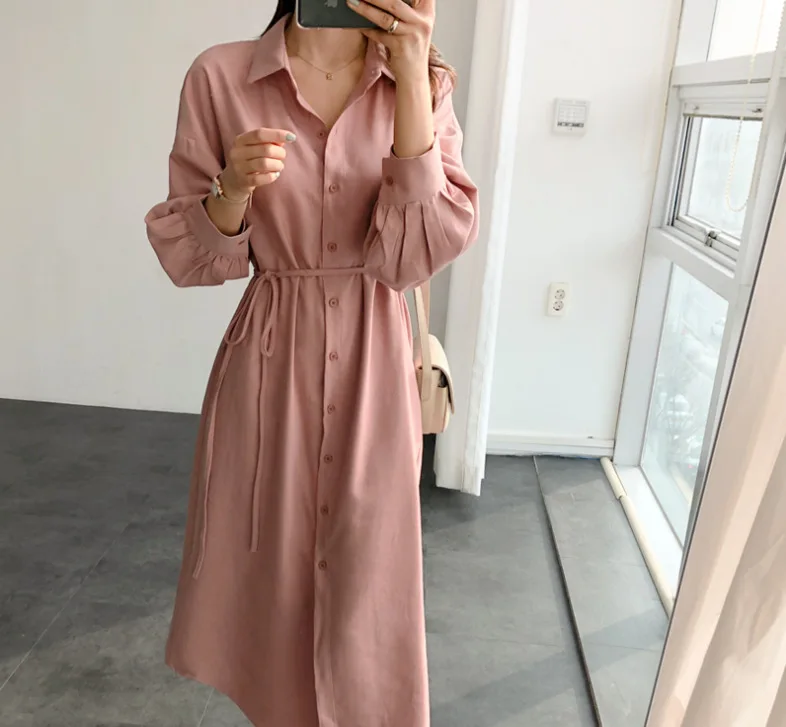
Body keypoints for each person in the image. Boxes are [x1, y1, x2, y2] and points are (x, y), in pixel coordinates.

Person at [144, 0, 478, 724]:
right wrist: (230, 190)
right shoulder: (221, 77)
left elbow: (421, 251)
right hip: (270, 363)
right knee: (268, 573)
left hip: (374, 360)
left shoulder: (422, 83)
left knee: (368, 577)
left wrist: (411, 79)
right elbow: (190, 259)